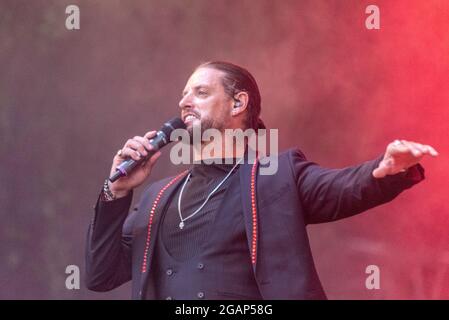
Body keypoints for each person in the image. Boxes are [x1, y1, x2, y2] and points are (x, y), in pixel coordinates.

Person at [85, 61, 438, 300]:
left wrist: (385, 168)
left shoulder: (275, 177)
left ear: (238, 103)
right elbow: (101, 276)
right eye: (183, 96)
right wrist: (114, 191)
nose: (184, 103)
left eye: (201, 93)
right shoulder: (157, 197)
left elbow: (340, 188)